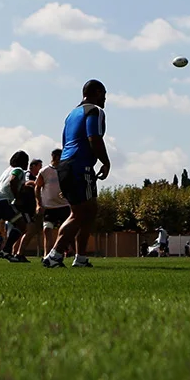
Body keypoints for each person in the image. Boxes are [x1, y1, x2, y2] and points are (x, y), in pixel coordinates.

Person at [45, 80, 111, 269]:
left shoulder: (71, 114)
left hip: (66, 165)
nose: (105, 98)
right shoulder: (94, 111)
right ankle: (54, 255)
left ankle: (80, 258)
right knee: (81, 213)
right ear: (97, 92)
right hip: (80, 165)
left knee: (88, 212)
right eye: (104, 93)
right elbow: (94, 138)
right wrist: (106, 162)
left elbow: (65, 142)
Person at [0, 151, 31, 263]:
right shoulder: (18, 170)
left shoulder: (6, 170)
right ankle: (6, 250)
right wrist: (17, 197)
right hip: (3, 201)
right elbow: (13, 181)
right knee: (22, 225)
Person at [36, 148, 71, 256]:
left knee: (67, 230)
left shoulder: (65, 170)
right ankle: (47, 255)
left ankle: (69, 252)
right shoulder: (44, 171)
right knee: (47, 229)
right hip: (49, 207)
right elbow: (37, 187)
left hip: (64, 205)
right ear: (55, 157)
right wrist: (38, 204)